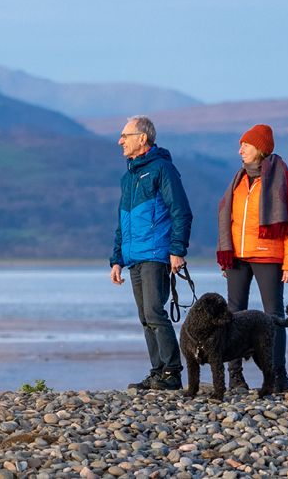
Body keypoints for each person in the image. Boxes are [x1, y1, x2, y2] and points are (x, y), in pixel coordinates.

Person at [216, 124, 288, 393]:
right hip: (237, 257)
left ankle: (278, 376)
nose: (240, 150)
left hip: (269, 256)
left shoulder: (284, 179)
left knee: (274, 316)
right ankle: (235, 376)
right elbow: (228, 221)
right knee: (231, 316)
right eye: (240, 145)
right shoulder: (239, 180)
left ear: (261, 149)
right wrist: (225, 259)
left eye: (246, 145)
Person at [110, 115, 193, 391]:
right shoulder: (128, 177)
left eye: (125, 135)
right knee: (145, 317)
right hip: (134, 257)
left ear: (142, 138)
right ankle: (157, 372)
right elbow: (123, 220)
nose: (120, 141)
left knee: (156, 313)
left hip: (157, 254)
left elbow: (181, 211)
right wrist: (116, 260)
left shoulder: (162, 169)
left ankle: (172, 373)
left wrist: (177, 249)